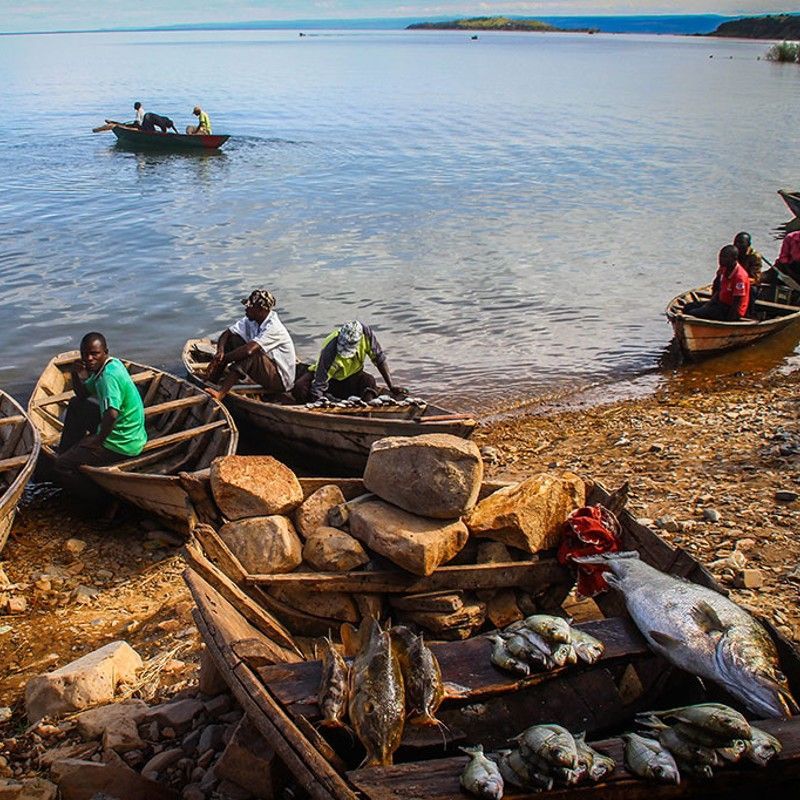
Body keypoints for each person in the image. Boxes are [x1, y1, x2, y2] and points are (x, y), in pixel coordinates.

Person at [53, 333, 147, 503]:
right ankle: (67, 450)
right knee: (75, 404)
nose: (89, 358)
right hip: (133, 434)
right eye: (85, 354)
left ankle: (99, 502)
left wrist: (97, 441)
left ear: (105, 352)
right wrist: (76, 374)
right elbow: (82, 395)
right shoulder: (110, 365)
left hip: (122, 442)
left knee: (62, 466)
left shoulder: (107, 377)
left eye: (94, 354)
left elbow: (111, 415)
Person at [204, 290, 297, 401]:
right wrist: (220, 352)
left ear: (261, 310)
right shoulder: (252, 319)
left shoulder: (274, 327)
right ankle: (211, 381)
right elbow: (227, 333)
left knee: (250, 355)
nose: (246, 309)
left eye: (249, 307)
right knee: (232, 340)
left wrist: (224, 359)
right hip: (267, 368)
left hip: (280, 380)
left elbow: (249, 351)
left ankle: (220, 393)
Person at [292, 320, 404, 402]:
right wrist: (319, 401)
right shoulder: (330, 349)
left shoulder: (366, 335)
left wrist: (391, 386)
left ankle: (366, 409)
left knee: (369, 381)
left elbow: (380, 360)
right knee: (299, 388)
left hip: (352, 377)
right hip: (330, 380)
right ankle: (331, 399)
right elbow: (319, 383)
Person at [682, 245, 750, 322]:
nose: (720, 260)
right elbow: (717, 288)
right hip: (720, 303)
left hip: (731, 309)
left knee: (693, 313)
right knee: (687, 307)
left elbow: (737, 301)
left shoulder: (740, 276)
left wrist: (729, 320)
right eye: (720, 257)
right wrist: (708, 305)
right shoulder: (724, 268)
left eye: (725, 258)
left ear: (734, 259)